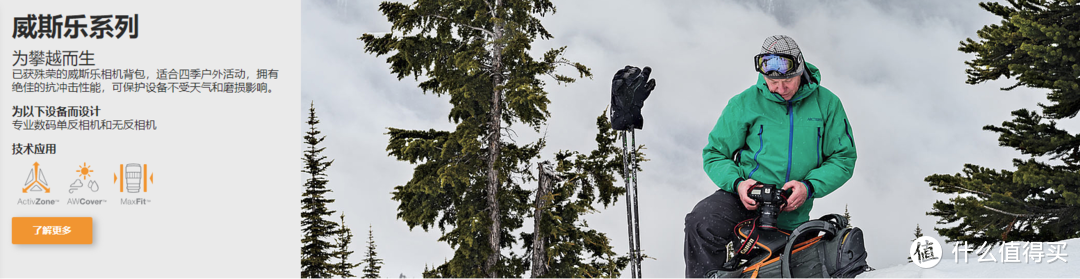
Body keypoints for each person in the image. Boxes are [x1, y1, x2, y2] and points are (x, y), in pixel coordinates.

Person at [684, 35, 857, 278]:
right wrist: (739, 184)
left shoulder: (827, 104)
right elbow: (714, 153)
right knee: (701, 222)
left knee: (771, 270)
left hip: (790, 210)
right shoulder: (744, 103)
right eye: (772, 81)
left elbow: (843, 158)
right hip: (744, 198)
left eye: (787, 80)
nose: (779, 88)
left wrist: (809, 187)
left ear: (801, 68)